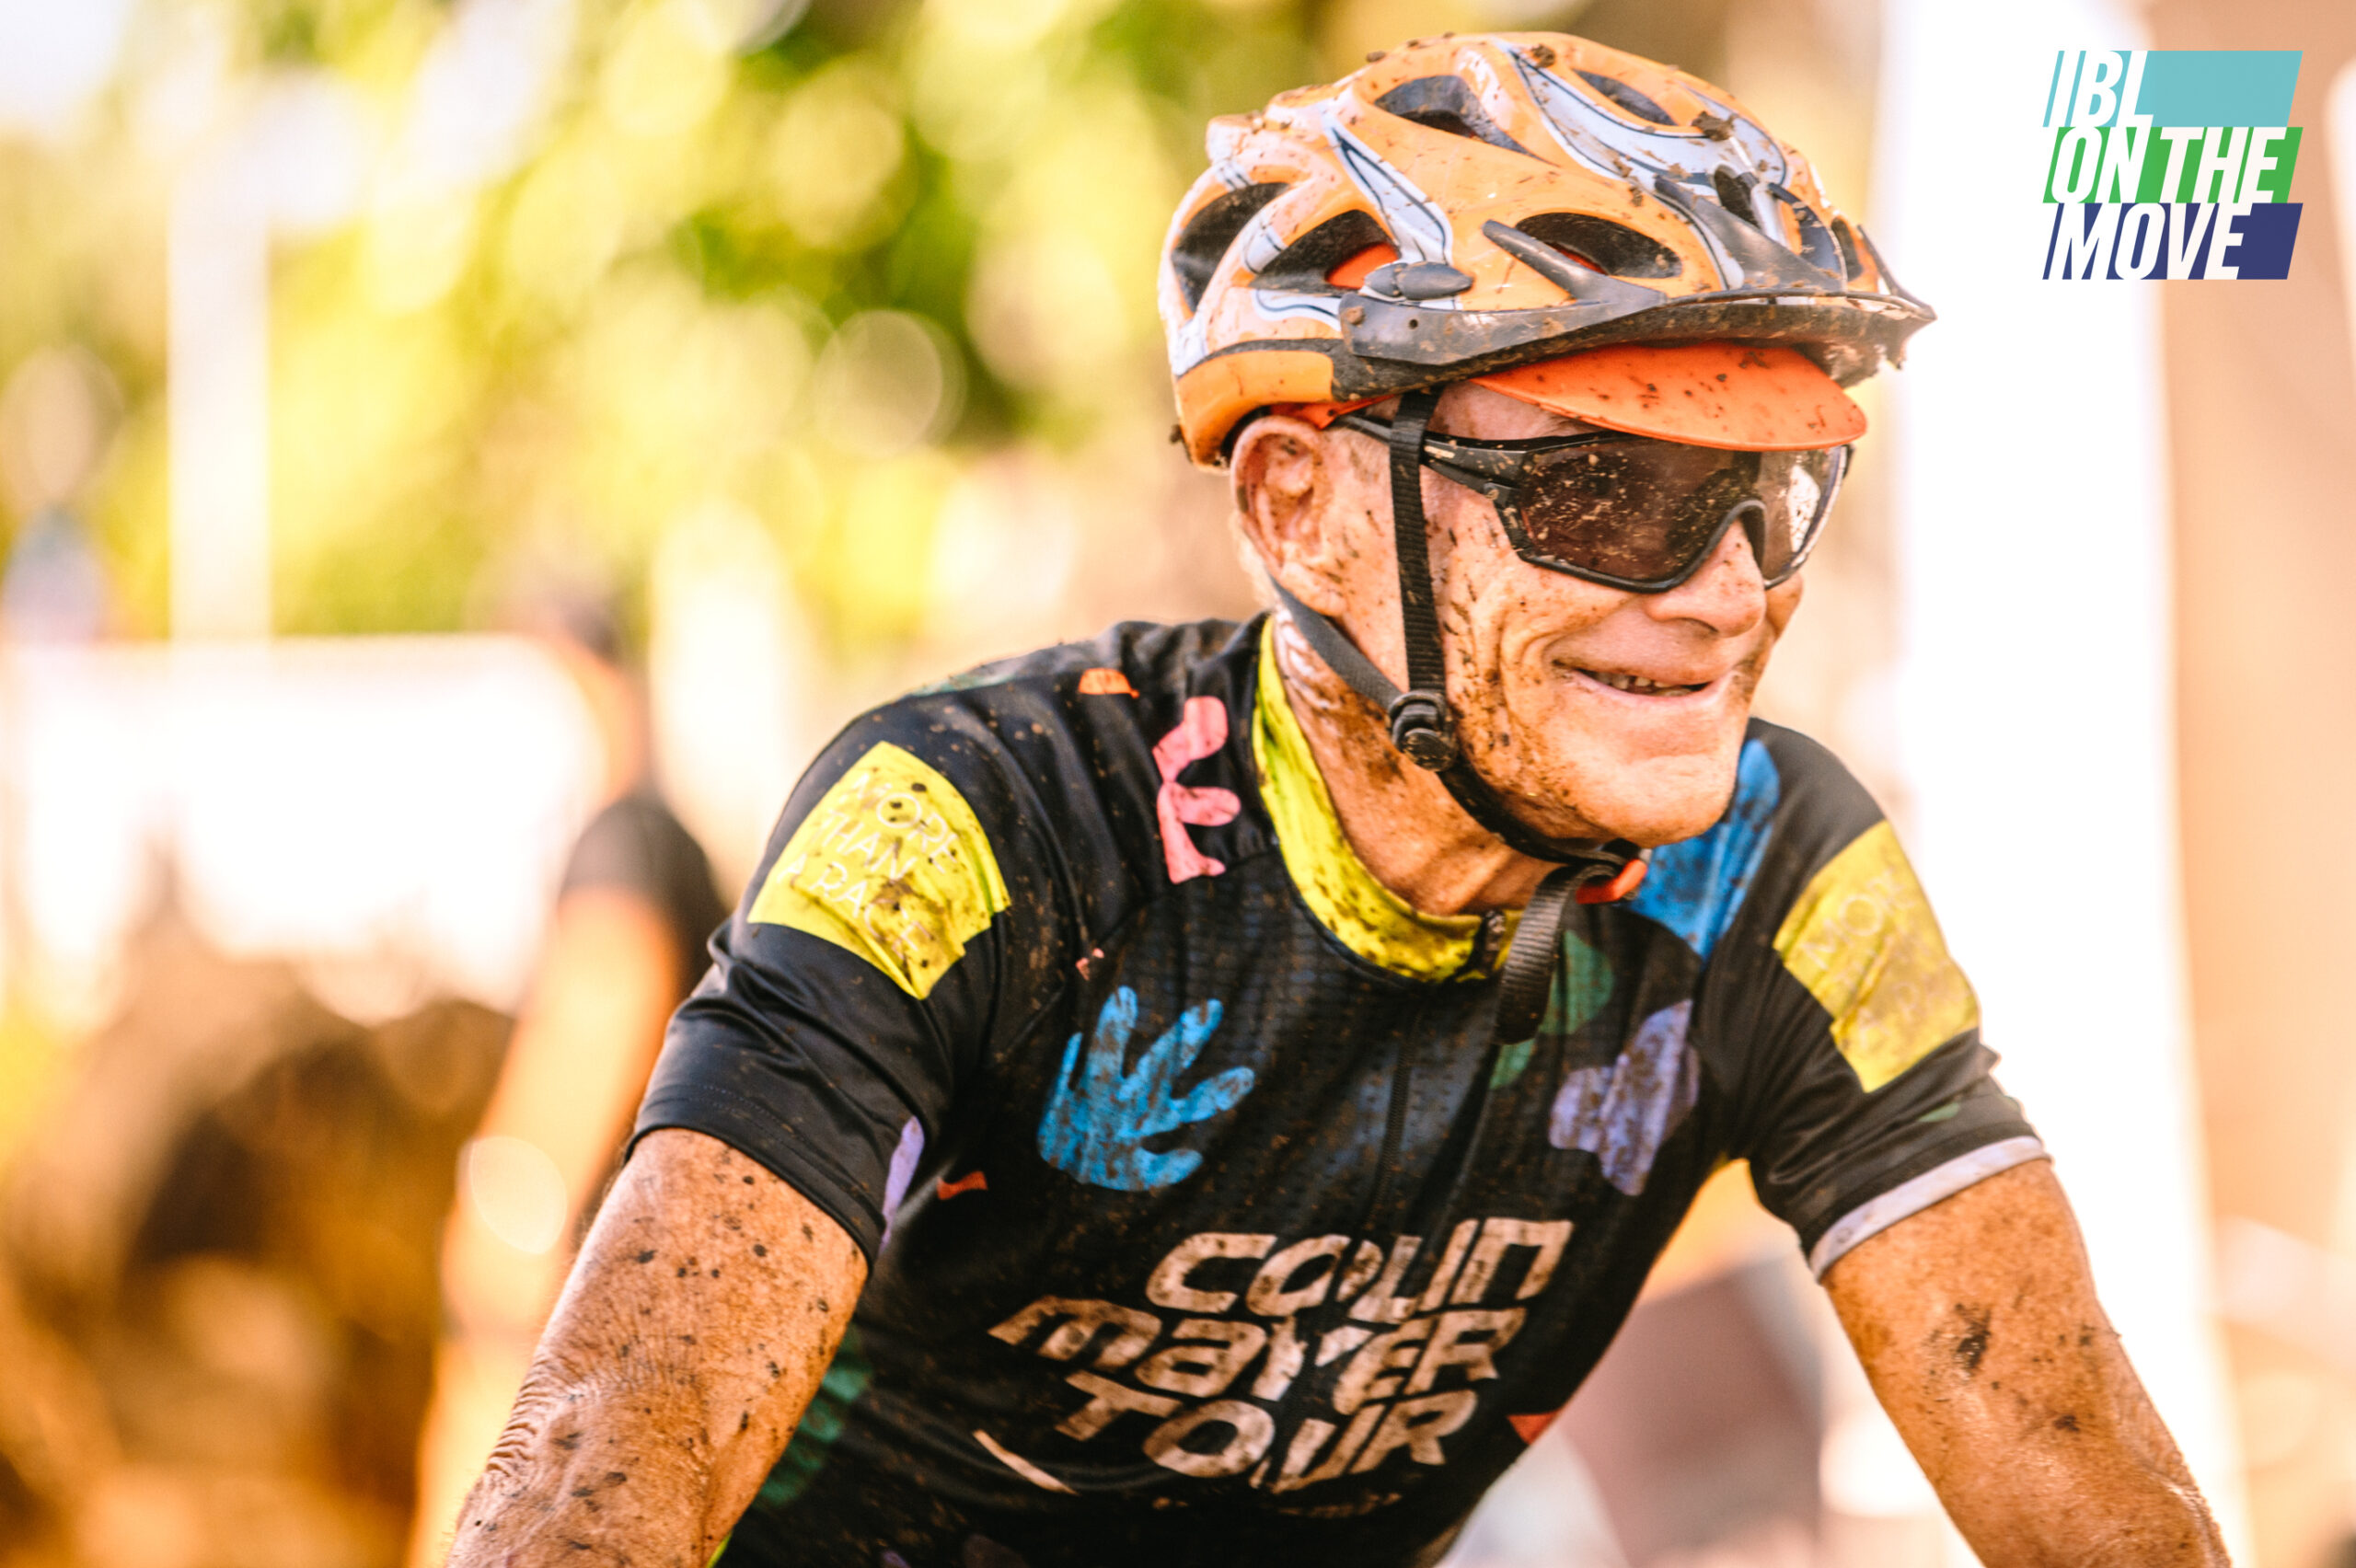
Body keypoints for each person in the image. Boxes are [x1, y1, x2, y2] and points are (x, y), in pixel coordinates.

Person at [442, 33, 2228, 1568]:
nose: (1724, 594)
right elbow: (604, 1447)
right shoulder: (973, 825)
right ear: (1298, 507)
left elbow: (2064, 1449)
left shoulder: (1777, 868)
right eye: (1607, 495)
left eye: (1773, 494)